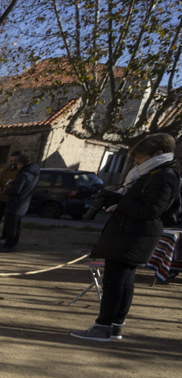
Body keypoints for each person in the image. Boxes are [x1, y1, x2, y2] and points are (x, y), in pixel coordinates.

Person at [72, 133, 180, 343]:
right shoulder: (152, 174)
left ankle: (103, 326)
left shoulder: (164, 176)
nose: (136, 161)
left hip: (133, 236)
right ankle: (114, 326)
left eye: (140, 157)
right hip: (128, 233)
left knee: (115, 283)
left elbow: (152, 209)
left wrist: (121, 203)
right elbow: (141, 201)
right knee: (123, 282)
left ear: (158, 153)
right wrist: (116, 197)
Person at [0, 153, 39, 252]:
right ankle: (12, 244)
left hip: (16, 203)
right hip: (23, 203)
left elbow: (17, 190)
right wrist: (14, 183)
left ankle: (8, 246)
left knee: (11, 226)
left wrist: (5, 191)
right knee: (16, 225)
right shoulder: (33, 173)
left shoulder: (24, 174)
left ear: (20, 163)